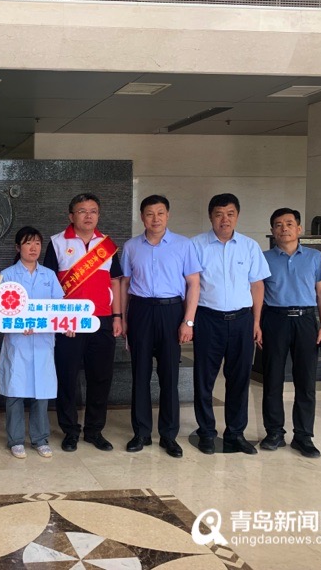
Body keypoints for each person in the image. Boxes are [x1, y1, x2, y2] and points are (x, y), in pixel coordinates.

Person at [120, 195, 201, 458]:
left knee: (169, 377)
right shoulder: (131, 247)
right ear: (141, 217)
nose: (155, 219)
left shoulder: (184, 245)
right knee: (140, 375)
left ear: (168, 215)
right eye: (150, 214)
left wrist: (188, 320)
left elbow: (194, 284)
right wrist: (123, 318)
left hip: (171, 311)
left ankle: (169, 435)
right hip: (141, 311)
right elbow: (124, 285)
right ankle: (141, 433)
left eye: (160, 213)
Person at [191, 194, 270, 455]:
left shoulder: (249, 246)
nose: (224, 219)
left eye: (230, 214)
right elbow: (189, 286)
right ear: (210, 216)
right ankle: (206, 432)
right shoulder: (196, 245)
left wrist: (256, 322)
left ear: (237, 216)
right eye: (219, 214)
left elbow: (257, 286)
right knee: (204, 379)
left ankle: (235, 433)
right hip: (208, 319)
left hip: (242, 320)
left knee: (239, 379)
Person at [44, 193, 123, 453]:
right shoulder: (57, 242)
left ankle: (94, 431)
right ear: (71, 215)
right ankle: (70, 431)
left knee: (100, 377)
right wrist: (58, 318)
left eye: (93, 211)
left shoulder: (106, 245)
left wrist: (117, 316)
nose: (88, 216)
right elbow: (49, 283)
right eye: (82, 211)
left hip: (102, 320)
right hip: (69, 322)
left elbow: (115, 283)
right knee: (67, 377)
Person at [260, 208, 321, 458]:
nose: (284, 229)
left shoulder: (314, 257)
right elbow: (257, 292)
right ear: (272, 231)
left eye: (289, 224)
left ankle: (303, 436)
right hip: (275, 319)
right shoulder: (264, 258)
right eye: (278, 225)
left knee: (306, 381)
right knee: (272, 379)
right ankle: (274, 432)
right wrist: (256, 324)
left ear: (299, 229)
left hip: (306, 321)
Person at [0, 226, 67, 459]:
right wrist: (19, 323)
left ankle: (40, 438)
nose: (33, 248)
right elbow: (1, 310)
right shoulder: (7, 275)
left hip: (43, 342)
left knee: (42, 391)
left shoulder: (49, 275)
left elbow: (59, 307)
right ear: (18, 247)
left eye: (37, 243)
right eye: (28, 243)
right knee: (15, 390)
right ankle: (16, 439)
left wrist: (67, 324)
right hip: (18, 342)